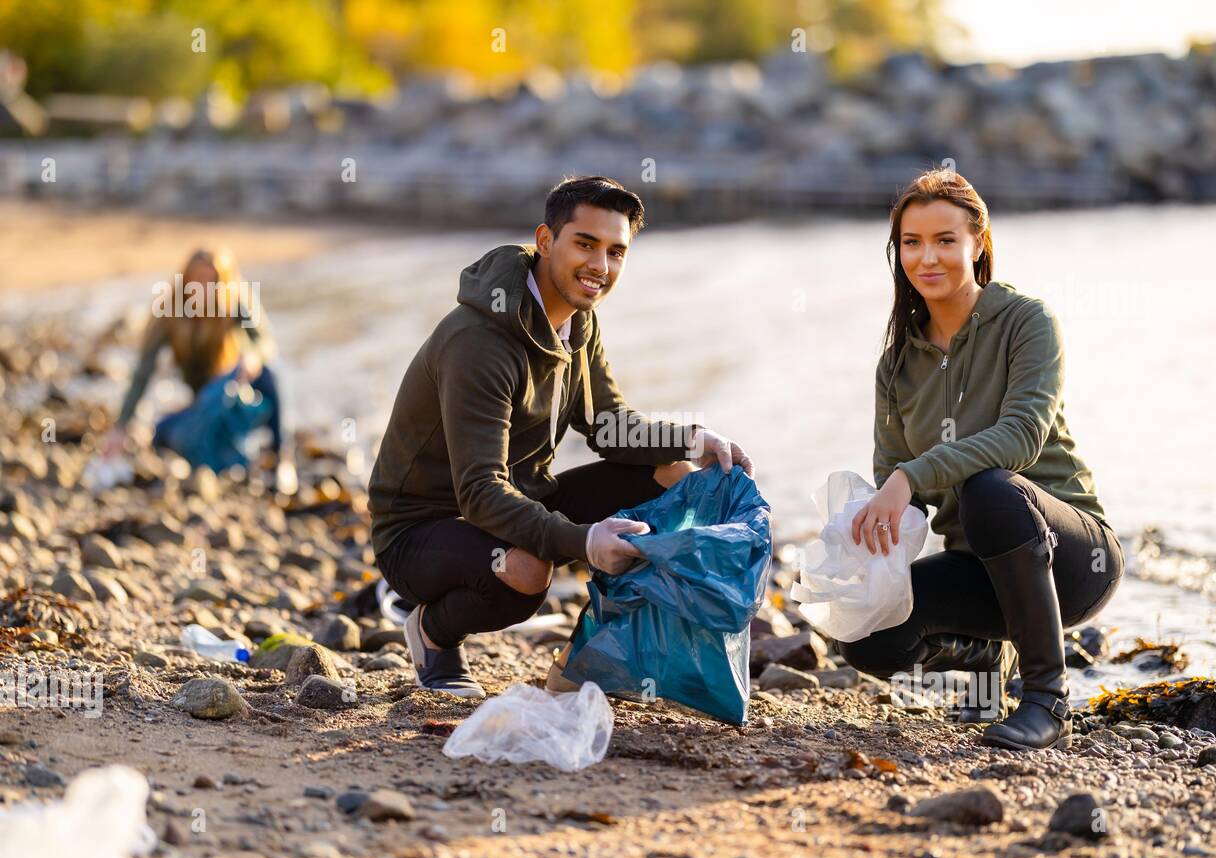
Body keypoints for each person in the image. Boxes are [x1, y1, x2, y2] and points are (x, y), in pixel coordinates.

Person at [368, 175, 753, 698]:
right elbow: (479, 491)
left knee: (672, 476)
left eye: (616, 252)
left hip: (514, 502)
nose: (601, 266)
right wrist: (584, 541)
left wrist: (693, 438)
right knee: (527, 572)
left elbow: (607, 427)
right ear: (546, 241)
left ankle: (599, 657)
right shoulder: (478, 342)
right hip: (422, 531)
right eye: (586, 244)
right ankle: (433, 633)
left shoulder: (579, 322)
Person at [841, 169, 1124, 751]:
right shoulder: (896, 363)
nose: (928, 258)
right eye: (912, 243)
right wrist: (856, 545)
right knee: (862, 634)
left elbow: (1021, 436)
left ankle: (1046, 699)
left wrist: (909, 476)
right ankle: (983, 651)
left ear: (978, 244)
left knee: (990, 489)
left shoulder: (1027, 322)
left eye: (946, 240)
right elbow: (895, 479)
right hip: (979, 571)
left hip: (1070, 558)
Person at [101, 247, 290, 483]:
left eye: (213, 281)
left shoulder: (235, 299)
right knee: (166, 434)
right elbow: (143, 372)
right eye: (198, 280)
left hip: (235, 382)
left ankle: (280, 456)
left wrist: (253, 356)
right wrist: (120, 427)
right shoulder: (168, 311)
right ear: (186, 280)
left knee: (271, 376)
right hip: (202, 394)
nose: (205, 288)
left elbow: (265, 342)